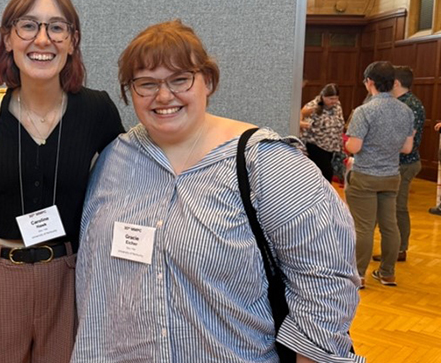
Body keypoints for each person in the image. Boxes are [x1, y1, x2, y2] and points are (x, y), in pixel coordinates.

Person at [72, 20, 362, 362]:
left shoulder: (265, 164)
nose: (164, 96)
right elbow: (91, 272)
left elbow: (325, 278)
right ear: (129, 92)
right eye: (146, 84)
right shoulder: (115, 160)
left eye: (180, 79)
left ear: (207, 81)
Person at [0, 0, 124, 363]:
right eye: (28, 25)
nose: (42, 39)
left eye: (56, 27)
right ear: (8, 38)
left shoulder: (96, 111)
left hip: (66, 279)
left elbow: (128, 183)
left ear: (72, 40)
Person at [345, 61, 414, 288]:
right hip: (391, 175)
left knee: (363, 227)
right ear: (393, 82)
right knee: (389, 226)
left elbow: (354, 147)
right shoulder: (406, 111)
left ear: (370, 82)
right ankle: (387, 273)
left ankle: (359, 275)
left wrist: (347, 142)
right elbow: (406, 149)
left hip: (365, 175)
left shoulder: (364, 111)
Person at [372, 66, 424, 262]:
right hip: (393, 163)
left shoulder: (410, 105)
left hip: (404, 163)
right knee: (386, 206)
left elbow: (407, 141)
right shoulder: (398, 102)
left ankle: (400, 249)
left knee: (398, 207)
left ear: (396, 83)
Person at [299, 83, 344, 182]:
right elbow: (301, 119)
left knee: (328, 173)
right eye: (331, 99)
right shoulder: (312, 106)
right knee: (325, 173)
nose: (334, 101)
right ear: (323, 96)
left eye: (336, 98)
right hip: (316, 145)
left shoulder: (337, 105)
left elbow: (339, 123)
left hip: (331, 145)